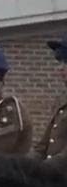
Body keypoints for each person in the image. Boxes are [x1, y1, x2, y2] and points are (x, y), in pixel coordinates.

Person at [32, 34, 67, 162]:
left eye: (66, 62)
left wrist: (45, 169)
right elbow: (43, 145)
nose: (61, 68)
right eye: (61, 62)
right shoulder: (62, 100)